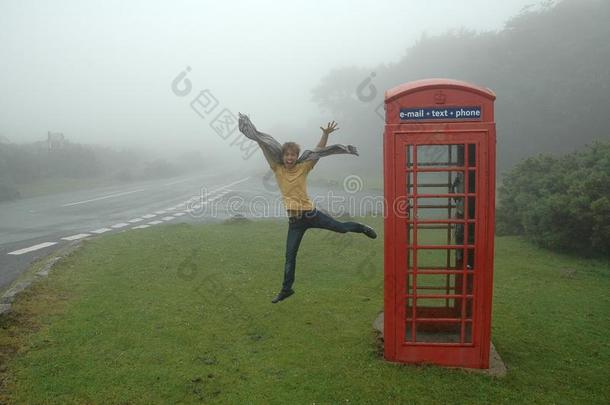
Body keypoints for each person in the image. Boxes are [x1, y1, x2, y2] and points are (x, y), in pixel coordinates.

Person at [238, 115, 377, 304]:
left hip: (311, 214)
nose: (289, 158)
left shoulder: (304, 167)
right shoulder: (277, 169)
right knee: (289, 256)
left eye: (292, 155)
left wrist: (325, 134)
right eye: (286, 155)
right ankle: (287, 289)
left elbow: (318, 151)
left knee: (341, 228)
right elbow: (266, 149)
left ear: (296, 156)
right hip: (294, 222)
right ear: (282, 156)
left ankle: (361, 228)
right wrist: (258, 138)